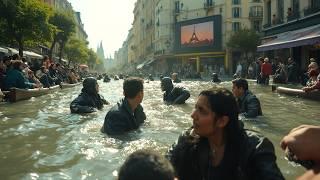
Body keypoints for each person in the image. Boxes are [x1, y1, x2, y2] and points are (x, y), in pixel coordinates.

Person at [167, 87, 284, 180]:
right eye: (195, 108)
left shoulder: (255, 147)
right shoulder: (188, 138)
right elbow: (162, 167)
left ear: (222, 121)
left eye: (201, 111)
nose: (193, 115)